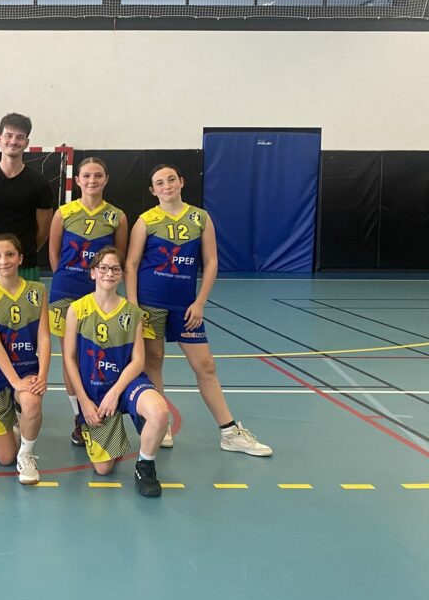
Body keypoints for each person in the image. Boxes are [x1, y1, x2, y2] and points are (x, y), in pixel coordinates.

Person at [124, 164, 272, 456]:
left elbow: (211, 262)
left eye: (171, 179)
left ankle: (229, 432)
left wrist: (200, 301)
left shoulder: (200, 218)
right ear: (153, 190)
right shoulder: (146, 220)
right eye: (159, 183)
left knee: (205, 365)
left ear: (181, 181)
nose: (166, 185)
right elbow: (131, 264)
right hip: (150, 303)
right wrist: (133, 306)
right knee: (153, 361)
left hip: (186, 306)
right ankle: (161, 424)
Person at [0, 113, 55, 428]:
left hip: (24, 266)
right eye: (9, 135)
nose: (13, 141)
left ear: (27, 142)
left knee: (25, 333)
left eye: (19, 137)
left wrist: (18, 258)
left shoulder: (39, 185)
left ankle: (20, 393)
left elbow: (43, 231)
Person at [63, 247, 167, 497]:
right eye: (103, 268)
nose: (109, 273)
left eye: (115, 269)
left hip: (126, 384)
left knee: (160, 413)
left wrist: (115, 392)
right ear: (93, 273)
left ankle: (145, 466)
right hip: (94, 390)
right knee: (103, 469)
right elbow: (69, 358)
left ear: (121, 275)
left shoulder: (133, 313)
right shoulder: (77, 309)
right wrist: (83, 402)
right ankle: (101, 428)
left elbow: (138, 361)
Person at [48, 157, 127, 447]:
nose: (92, 180)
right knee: (70, 356)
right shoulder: (64, 213)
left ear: (106, 179)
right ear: (77, 180)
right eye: (86, 176)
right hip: (65, 291)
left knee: (96, 354)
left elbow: (119, 258)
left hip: (100, 294)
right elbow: (54, 254)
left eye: (98, 175)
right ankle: (80, 417)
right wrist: (66, 277)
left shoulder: (117, 216)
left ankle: (101, 411)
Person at [0, 234, 50, 485]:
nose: (4, 260)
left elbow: (44, 338)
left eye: (9, 254)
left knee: (31, 400)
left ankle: (26, 454)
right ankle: (17, 423)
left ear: (20, 258)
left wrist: (42, 376)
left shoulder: (38, 291)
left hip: (27, 369)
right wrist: (15, 381)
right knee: (5, 458)